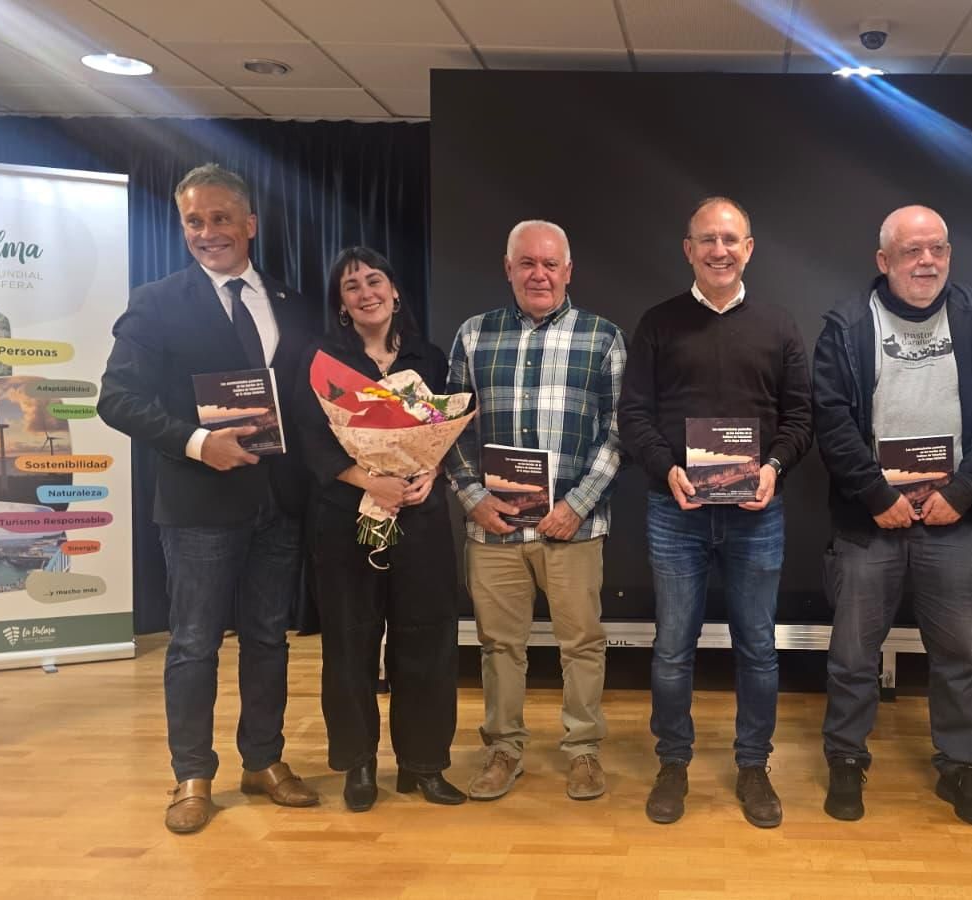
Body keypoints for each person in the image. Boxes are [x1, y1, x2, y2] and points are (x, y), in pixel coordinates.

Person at [98, 163, 318, 834]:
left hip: (278, 503)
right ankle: (191, 774)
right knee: (193, 643)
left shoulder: (291, 300)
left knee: (267, 640)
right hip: (198, 505)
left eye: (221, 218)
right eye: (194, 220)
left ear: (250, 224)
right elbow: (116, 399)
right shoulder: (156, 301)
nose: (207, 232)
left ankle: (264, 761)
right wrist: (198, 442)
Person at [812, 206, 972, 825]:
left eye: (936, 250)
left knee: (959, 656)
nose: (925, 262)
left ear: (949, 255)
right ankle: (847, 760)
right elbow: (831, 421)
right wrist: (878, 496)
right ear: (885, 261)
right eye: (911, 252)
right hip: (869, 520)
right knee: (852, 656)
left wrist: (962, 492)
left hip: (953, 519)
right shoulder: (847, 326)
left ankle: (960, 766)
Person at [618, 196, 813, 828]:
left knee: (758, 646)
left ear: (749, 248)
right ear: (688, 249)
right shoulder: (657, 323)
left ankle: (753, 765)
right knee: (673, 647)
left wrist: (774, 467)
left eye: (731, 239)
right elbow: (635, 416)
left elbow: (801, 417)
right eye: (707, 239)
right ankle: (673, 762)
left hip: (757, 513)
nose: (719, 250)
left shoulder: (780, 326)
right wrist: (664, 468)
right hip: (675, 509)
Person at [447, 220, 624, 802]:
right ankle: (503, 748)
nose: (539, 274)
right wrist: (474, 498)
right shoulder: (474, 336)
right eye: (527, 263)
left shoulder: (602, 338)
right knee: (499, 645)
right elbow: (446, 430)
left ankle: (583, 751)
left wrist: (576, 505)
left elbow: (619, 433)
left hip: (573, 526)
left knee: (582, 644)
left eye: (550, 264)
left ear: (568, 271)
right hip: (493, 529)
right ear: (508, 268)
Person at [293, 246, 464, 812]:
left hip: (421, 517)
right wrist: (367, 480)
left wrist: (429, 470)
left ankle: (425, 765)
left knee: (427, 640)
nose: (366, 292)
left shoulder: (429, 357)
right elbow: (310, 439)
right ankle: (359, 764)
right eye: (351, 286)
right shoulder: (322, 362)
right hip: (348, 519)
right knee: (350, 641)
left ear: (394, 290)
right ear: (340, 303)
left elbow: (443, 429)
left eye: (374, 281)